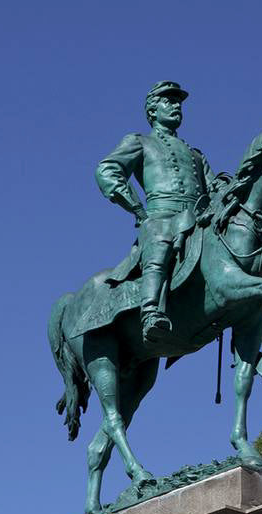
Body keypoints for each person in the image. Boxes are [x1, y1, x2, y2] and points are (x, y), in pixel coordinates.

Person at [96, 81, 222, 344]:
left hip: (197, 218)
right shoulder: (139, 142)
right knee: (159, 243)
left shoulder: (196, 155)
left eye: (178, 102)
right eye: (169, 101)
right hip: (161, 216)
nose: (176, 106)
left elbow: (214, 187)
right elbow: (107, 170)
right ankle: (150, 312)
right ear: (152, 111)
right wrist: (137, 209)